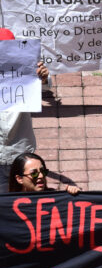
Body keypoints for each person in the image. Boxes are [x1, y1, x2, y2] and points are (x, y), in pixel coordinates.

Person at [0, 24, 49, 193]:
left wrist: (42, 77)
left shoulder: (25, 70)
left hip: (19, 152)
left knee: (24, 202)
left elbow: (41, 87)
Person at [9, 153, 80, 194]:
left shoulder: (54, 198)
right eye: (34, 173)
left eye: (43, 171)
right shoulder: (7, 206)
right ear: (19, 179)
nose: (41, 176)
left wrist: (73, 196)